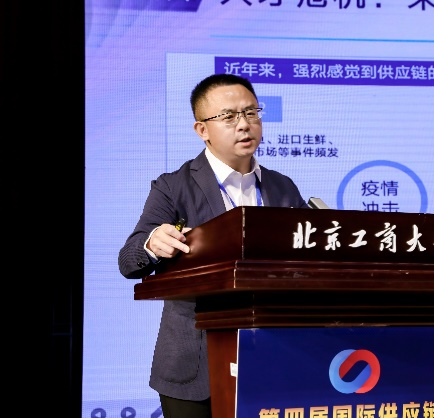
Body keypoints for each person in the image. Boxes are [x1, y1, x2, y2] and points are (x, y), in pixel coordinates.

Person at [118, 73, 309, 417]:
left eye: (251, 113)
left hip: (272, 357)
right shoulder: (173, 186)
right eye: (229, 116)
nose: (244, 124)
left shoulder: (282, 187)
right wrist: (152, 243)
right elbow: (128, 260)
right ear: (202, 129)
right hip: (195, 364)